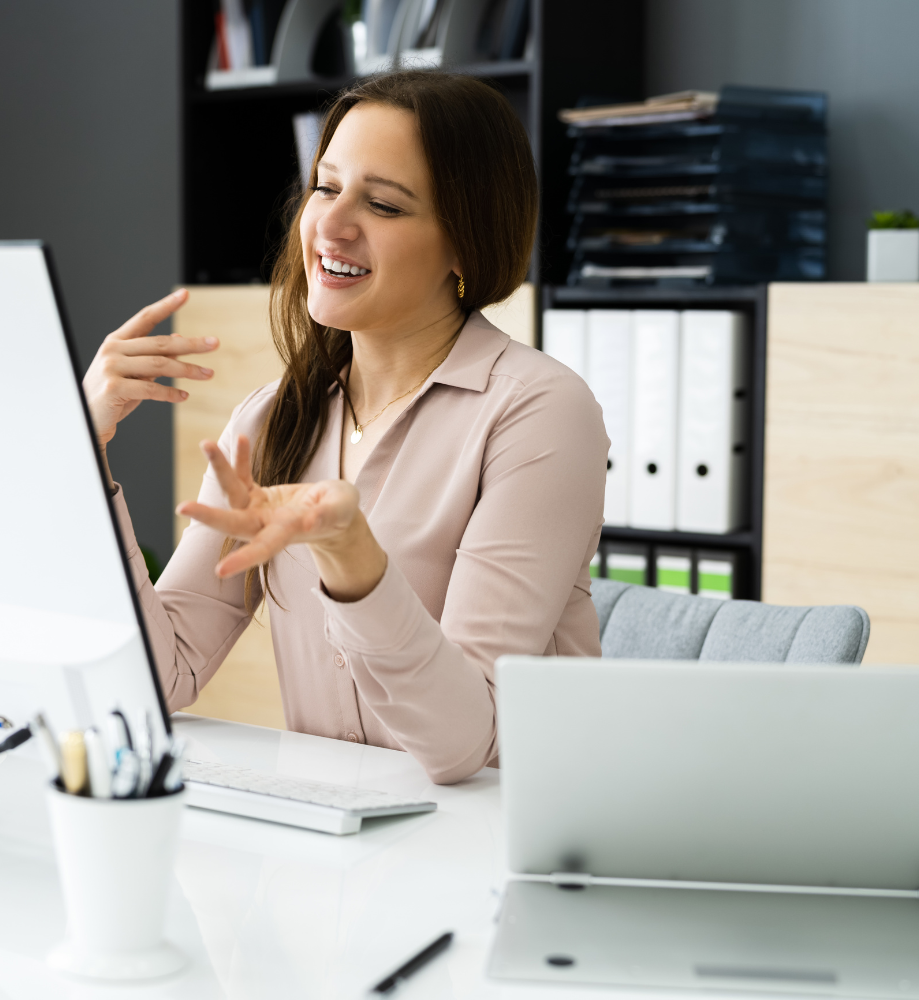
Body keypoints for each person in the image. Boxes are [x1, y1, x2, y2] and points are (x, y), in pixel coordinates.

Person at [83, 72, 608, 784]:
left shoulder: (538, 413)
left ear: (466, 245)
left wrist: (353, 559)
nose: (331, 223)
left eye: (384, 203)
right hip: (342, 856)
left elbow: (462, 746)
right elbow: (160, 675)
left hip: (497, 849)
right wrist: (85, 453)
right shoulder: (274, 420)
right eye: (325, 187)